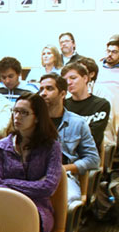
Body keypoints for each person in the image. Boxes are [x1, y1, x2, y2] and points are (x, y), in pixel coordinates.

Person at [0, 93, 62, 232]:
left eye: (24, 113)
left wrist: (8, 183)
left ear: (37, 118)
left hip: (37, 209)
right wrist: (34, 185)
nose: (17, 116)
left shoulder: (52, 147)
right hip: (4, 206)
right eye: (15, 111)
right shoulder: (1, 147)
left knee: (17, 226)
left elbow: (48, 187)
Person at [39, 73, 100, 203]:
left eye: (49, 89)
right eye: (41, 89)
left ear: (62, 94)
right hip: (34, 175)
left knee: (69, 199)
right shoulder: (32, 121)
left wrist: (65, 169)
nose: (43, 93)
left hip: (65, 176)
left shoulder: (77, 123)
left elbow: (93, 159)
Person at [62, 61, 111, 151]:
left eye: (73, 78)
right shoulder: (62, 105)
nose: (68, 82)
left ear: (85, 78)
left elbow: (93, 138)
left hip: (87, 157)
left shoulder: (101, 105)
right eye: (65, 80)